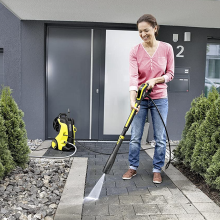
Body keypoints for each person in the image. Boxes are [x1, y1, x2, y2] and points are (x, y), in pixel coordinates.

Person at [122, 14, 174, 183]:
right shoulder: (134, 51)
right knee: (136, 135)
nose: (143, 34)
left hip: (160, 98)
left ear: (155, 28)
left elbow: (170, 74)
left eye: (146, 30)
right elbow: (133, 78)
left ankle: (157, 169)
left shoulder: (167, 48)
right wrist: (132, 99)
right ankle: (132, 167)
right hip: (140, 99)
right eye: (140, 31)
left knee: (160, 137)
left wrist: (155, 80)